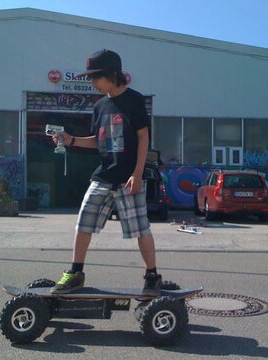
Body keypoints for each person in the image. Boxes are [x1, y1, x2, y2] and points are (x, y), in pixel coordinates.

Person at [50, 49, 162, 295]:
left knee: (140, 229)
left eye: (95, 77)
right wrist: (71, 140)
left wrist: (138, 172)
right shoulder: (100, 106)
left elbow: (144, 136)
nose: (92, 83)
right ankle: (75, 272)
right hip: (103, 175)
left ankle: (152, 275)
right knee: (83, 223)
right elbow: (98, 141)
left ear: (112, 75)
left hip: (129, 177)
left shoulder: (134, 100)